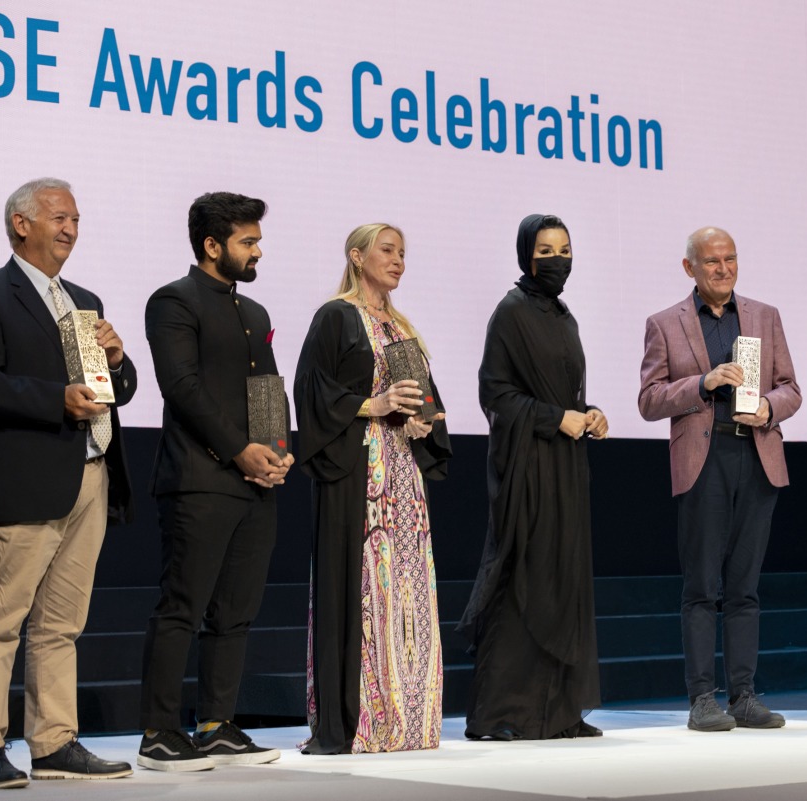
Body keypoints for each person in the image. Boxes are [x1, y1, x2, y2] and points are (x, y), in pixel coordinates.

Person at [0, 178, 137, 788]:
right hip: (27, 479)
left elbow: (117, 391)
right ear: (21, 224)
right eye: (59, 217)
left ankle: (54, 742)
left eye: (76, 219)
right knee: (1, 619)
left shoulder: (84, 300)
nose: (70, 229)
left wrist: (116, 361)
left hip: (90, 477)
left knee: (62, 624)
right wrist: (54, 399)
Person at [137, 192, 292, 771]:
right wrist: (238, 450)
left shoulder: (253, 313)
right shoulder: (173, 302)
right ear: (212, 245)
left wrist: (277, 452)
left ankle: (217, 724)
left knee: (236, 610)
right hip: (199, 477)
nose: (258, 251)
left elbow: (268, 389)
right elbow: (182, 387)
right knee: (183, 605)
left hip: (256, 482)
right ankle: (158, 731)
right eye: (247, 242)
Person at [294, 224, 451, 753]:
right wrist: (374, 406)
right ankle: (358, 719)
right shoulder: (336, 316)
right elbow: (313, 393)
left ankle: (406, 717)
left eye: (404, 253)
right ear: (357, 256)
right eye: (388, 251)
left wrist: (423, 422)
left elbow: (425, 403)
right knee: (363, 590)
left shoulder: (401, 328)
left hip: (403, 476)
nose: (398, 260)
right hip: (357, 474)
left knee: (403, 591)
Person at [639, 226, 801, 732]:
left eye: (730, 259)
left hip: (756, 456)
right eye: (712, 261)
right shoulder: (665, 323)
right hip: (703, 461)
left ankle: (745, 695)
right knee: (702, 585)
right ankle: (701, 698)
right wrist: (703, 383)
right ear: (690, 267)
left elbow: (791, 388)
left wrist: (769, 409)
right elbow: (648, 401)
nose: (723, 269)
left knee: (745, 587)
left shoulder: (764, 316)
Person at [459, 214, 607, 740]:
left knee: (562, 580)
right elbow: (495, 394)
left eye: (565, 249)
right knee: (523, 577)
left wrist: (588, 413)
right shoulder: (511, 312)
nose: (557, 259)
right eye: (546, 250)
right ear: (526, 255)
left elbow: (563, 392)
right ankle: (500, 715)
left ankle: (559, 713)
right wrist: (552, 418)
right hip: (527, 468)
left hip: (566, 465)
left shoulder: (563, 315)